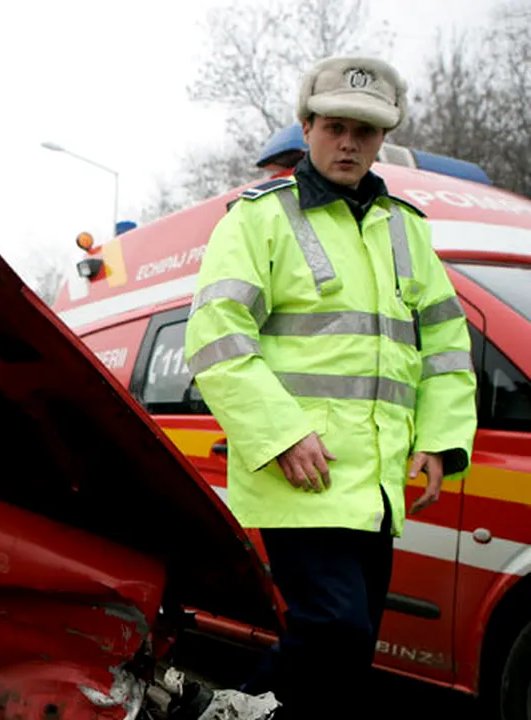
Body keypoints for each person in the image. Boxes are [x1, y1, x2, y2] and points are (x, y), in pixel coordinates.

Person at [184, 56, 478, 718]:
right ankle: (240, 707)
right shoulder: (257, 218)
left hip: (376, 485)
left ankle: (251, 708)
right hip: (303, 477)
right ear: (307, 126)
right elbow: (216, 339)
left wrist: (438, 440)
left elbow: (446, 346)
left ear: (382, 140)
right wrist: (282, 433)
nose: (348, 143)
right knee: (336, 627)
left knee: (351, 649)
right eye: (335, 127)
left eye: (365, 132)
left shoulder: (408, 227)